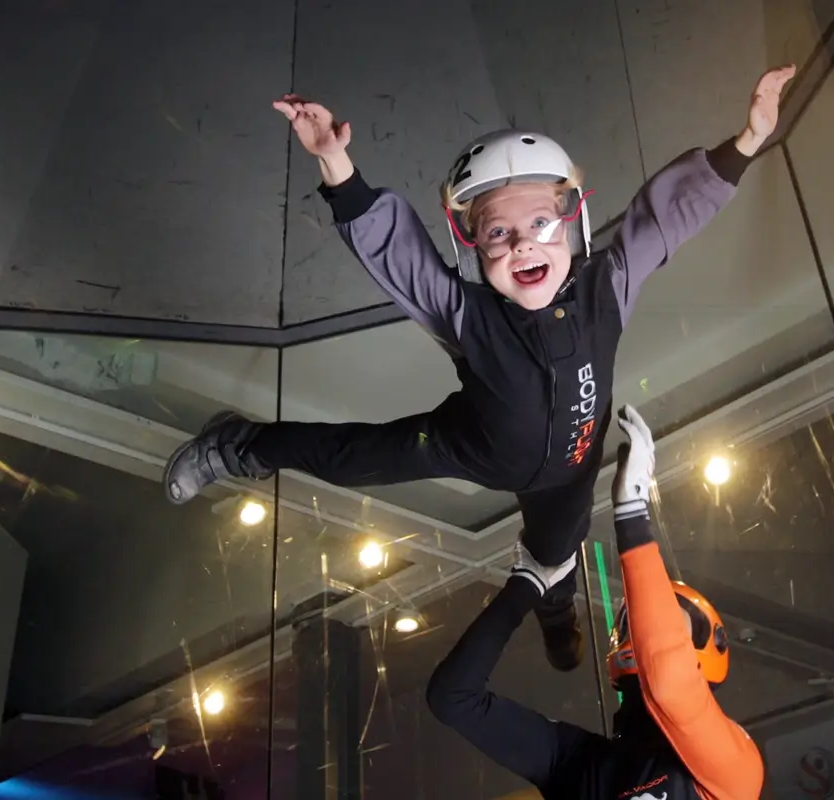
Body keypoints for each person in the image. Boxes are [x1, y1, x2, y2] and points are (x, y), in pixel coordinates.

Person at [163, 65, 798, 673]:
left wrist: (745, 143)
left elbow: (666, 217)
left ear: (572, 221)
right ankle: (236, 445)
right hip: (466, 446)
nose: (523, 243)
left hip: (568, 472)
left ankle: (558, 622)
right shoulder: (468, 315)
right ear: (473, 244)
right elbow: (400, 255)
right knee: (348, 455)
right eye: (498, 233)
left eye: (541, 223)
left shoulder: (607, 286)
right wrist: (336, 163)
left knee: (557, 554)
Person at [424, 404, 763, 800]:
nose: (647, 631)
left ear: (709, 647)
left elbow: (670, 684)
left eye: (669, 622)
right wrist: (528, 584)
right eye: (636, 623)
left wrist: (632, 512)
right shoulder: (580, 762)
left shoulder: (737, 770)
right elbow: (453, 697)